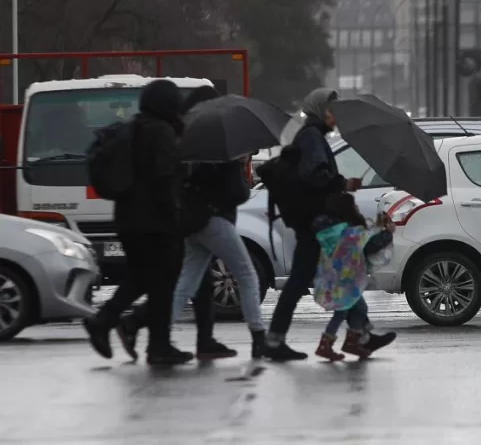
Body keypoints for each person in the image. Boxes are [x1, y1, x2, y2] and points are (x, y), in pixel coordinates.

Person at [115, 86, 267, 360]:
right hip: (214, 221)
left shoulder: (184, 140)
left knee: (185, 285)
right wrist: (237, 164)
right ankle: (259, 337)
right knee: (246, 275)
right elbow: (237, 193)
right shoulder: (218, 148)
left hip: (191, 223)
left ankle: (157, 336)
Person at [82, 79, 192, 366]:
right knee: (163, 284)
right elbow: (162, 178)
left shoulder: (134, 129)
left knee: (142, 278)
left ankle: (105, 322)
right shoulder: (161, 132)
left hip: (129, 220)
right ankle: (158, 346)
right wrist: (175, 217)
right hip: (155, 223)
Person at [264, 88, 361, 361]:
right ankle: (274, 340)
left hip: (312, 220)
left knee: (337, 274)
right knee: (310, 278)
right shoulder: (312, 136)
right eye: (330, 110)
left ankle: (361, 332)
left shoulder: (311, 135)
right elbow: (313, 175)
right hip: (314, 221)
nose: (334, 116)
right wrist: (341, 183)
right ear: (318, 110)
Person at [312, 193, 398, 360]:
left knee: (357, 309)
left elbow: (363, 235)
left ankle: (354, 339)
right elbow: (367, 242)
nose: (357, 208)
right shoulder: (348, 232)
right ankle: (332, 344)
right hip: (346, 282)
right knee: (343, 311)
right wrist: (387, 232)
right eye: (355, 206)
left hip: (333, 279)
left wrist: (377, 226)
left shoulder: (332, 231)